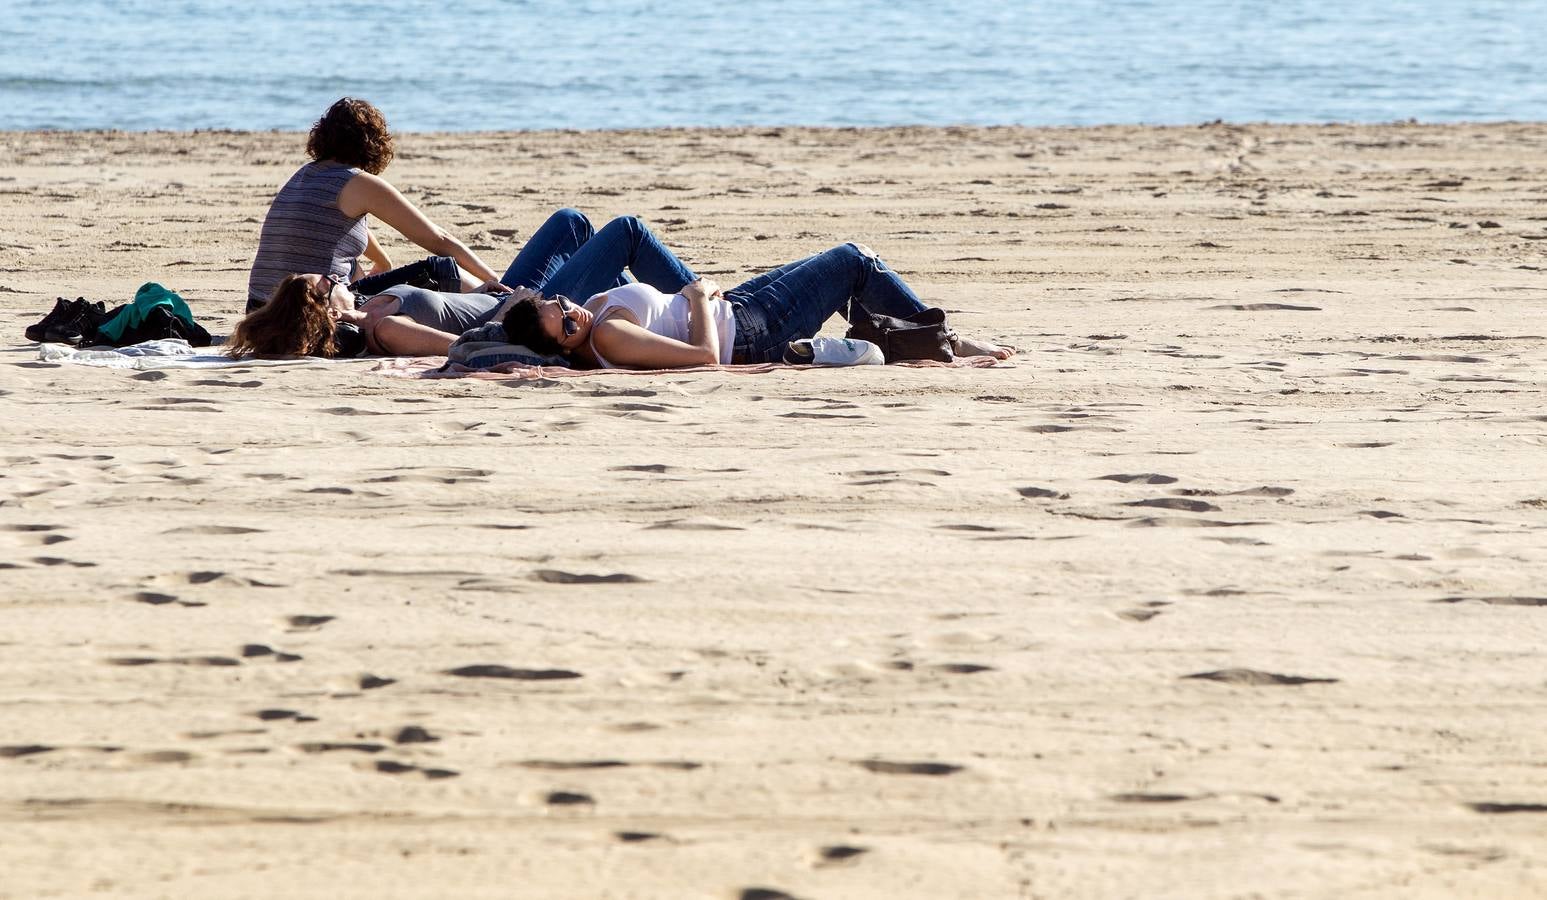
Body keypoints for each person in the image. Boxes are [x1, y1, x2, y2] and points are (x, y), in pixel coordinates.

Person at [500, 222, 1013, 368]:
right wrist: (698, 297)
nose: (572, 313)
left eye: (562, 304)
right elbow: (704, 357)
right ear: (565, 347)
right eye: (565, 326)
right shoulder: (609, 336)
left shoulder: (587, 316)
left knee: (848, 269)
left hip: (738, 309)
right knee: (855, 259)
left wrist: (702, 296)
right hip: (748, 334)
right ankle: (944, 341)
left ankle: (909, 335)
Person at [227, 215, 697, 358]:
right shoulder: (383, 327)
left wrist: (496, 288)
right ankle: (703, 307)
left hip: (508, 293)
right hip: (518, 311)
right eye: (327, 283)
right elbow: (465, 345)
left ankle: (655, 318)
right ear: (326, 311)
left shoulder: (371, 298)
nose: (335, 276)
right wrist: (510, 308)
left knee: (572, 225)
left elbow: (444, 277)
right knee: (626, 233)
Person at [247, 96, 540, 312]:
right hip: (311, 310)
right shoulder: (359, 182)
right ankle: (501, 305)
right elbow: (438, 239)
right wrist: (493, 278)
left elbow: (339, 227)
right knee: (439, 270)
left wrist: (383, 260)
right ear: (374, 144)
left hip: (261, 310)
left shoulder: (306, 174)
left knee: (361, 272)